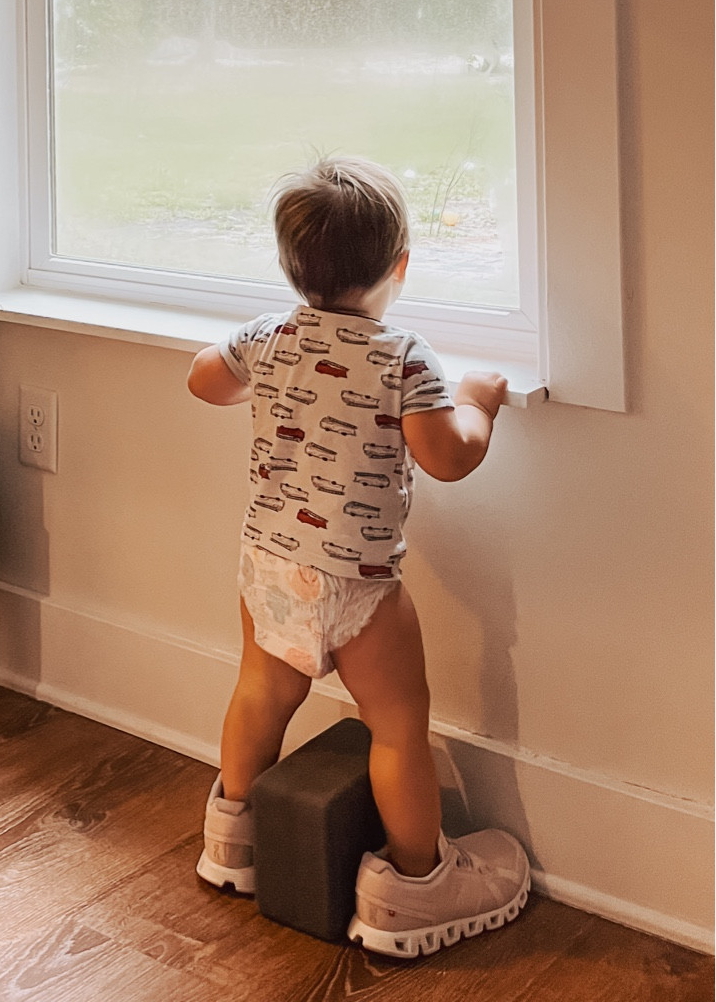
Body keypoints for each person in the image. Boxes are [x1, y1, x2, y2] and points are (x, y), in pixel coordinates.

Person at [187, 156, 530, 958]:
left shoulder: (268, 336)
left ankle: (233, 839)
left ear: (288, 266)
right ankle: (412, 883)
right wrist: (478, 401)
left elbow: (205, 381)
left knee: (259, 696)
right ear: (399, 266)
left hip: (269, 567)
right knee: (396, 728)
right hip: (359, 584)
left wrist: (261, 372)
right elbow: (446, 457)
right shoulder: (403, 355)